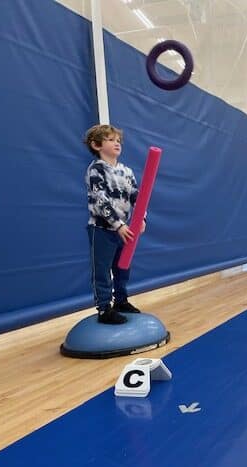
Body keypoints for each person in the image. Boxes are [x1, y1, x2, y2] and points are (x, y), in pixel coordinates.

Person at [84, 124, 145, 324]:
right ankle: (104, 308)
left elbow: (138, 197)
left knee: (122, 268)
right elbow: (101, 200)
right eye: (111, 140)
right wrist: (118, 225)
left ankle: (121, 300)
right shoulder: (95, 170)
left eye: (118, 140)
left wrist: (141, 219)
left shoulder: (126, 172)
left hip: (124, 230)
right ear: (96, 145)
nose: (116, 143)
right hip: (102, 229)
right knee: (102, 269)